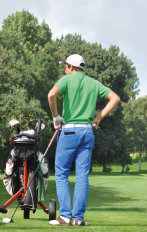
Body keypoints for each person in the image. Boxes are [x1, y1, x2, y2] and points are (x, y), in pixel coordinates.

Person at [47, 54, 120, 226]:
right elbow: (115, 98)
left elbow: (51, 95)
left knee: (62, 173)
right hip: (87, 131)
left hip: (70, 131)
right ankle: (78, 219)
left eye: (65, 67)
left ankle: (65, 216)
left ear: (71, 67)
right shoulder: (93, 83)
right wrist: (98, 117)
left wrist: (56, 116)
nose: (64, 70)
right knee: (82, 176)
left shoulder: (66, 80)